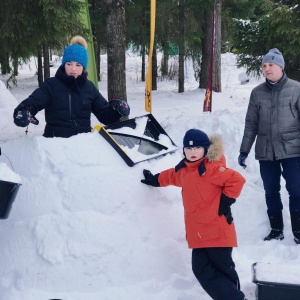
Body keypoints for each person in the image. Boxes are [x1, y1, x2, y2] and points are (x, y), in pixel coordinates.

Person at [142, 129, 247, 300]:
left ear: (206, 149)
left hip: (217, 231)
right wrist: (154, 179)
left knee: (223, 270)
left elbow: (237, 180)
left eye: (197, 148)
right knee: (200, 269)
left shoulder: (212, 168)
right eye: (188, 149)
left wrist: (226, 201)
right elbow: (171, 176)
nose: (192, 152)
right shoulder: (185, 171)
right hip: (198, 234)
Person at [238, 48, 300, 244]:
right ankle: (276, 229)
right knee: (271, 191)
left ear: (281, 66)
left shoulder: (296, 89)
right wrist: (244, 150)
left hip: (292, 150)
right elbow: (251, 124)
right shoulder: (257, 93)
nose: (266, 69)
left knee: (296, 190)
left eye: (271, 65)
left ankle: (298, 231)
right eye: (264, 65)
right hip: (266, 151)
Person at [13, 35, 130, 138]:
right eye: (69, 64)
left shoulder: (89, 88)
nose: (73, 69)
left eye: (78, 65)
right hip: (55, 146)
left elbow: (105, 116)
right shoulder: (52, 85)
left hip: (81, 148)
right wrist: (23, 112)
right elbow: (32, 103)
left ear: (83, 67)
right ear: (64, 65)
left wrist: (116, 110)